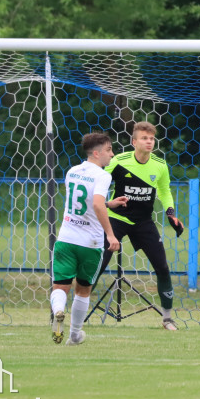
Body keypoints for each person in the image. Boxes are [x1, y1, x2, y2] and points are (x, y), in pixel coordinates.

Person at [96, 121, 185, 330]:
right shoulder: (118, 161)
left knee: (162, 267)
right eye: (144, 138)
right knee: (98, 263)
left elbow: (164, 191)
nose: (149, 142)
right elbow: (99, 182)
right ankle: (77, 312)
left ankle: (167, 318)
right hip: (116, 219)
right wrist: (100, 204)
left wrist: (171, 214)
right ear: (134, 141)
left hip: (144, 222)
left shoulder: (160, 165)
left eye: (152, 138)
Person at [51, 132, 124, 345]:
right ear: (96, 152)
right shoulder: (103, 176)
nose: (112, 154)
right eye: (109, 150)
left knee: (60, 286)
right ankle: (74, 334)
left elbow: (82, 201)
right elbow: (96, 204)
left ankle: (57, 311)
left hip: (66, 238)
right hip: (90, 244)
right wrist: (110, 235)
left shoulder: (72, 171)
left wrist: (111, 204)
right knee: (83, 289)